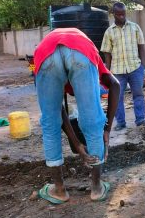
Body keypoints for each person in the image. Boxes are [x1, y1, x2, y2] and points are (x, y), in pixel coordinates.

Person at [33, 27, 120, 204]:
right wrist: (105, 131)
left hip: (44, 54)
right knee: (93, 120)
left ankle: (59, 190)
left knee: (50, 123)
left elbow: (57, 110)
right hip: (81, 51)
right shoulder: (90, 52)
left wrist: (78, 145)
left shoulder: (45, 53)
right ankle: (96, 188)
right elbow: (116, 85)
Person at [101, 2, 145, 130]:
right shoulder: (109, 32)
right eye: (119, 14)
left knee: (138, 94)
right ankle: (121, 123)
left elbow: (141, 47)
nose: (122, 16)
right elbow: (107, 53)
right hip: (117, 70)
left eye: (124, 14)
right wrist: (108, 72)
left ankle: (140, 119)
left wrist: (142, 66)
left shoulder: (135, 27)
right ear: (114, 14)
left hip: (135, 67)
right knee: (117, 97)